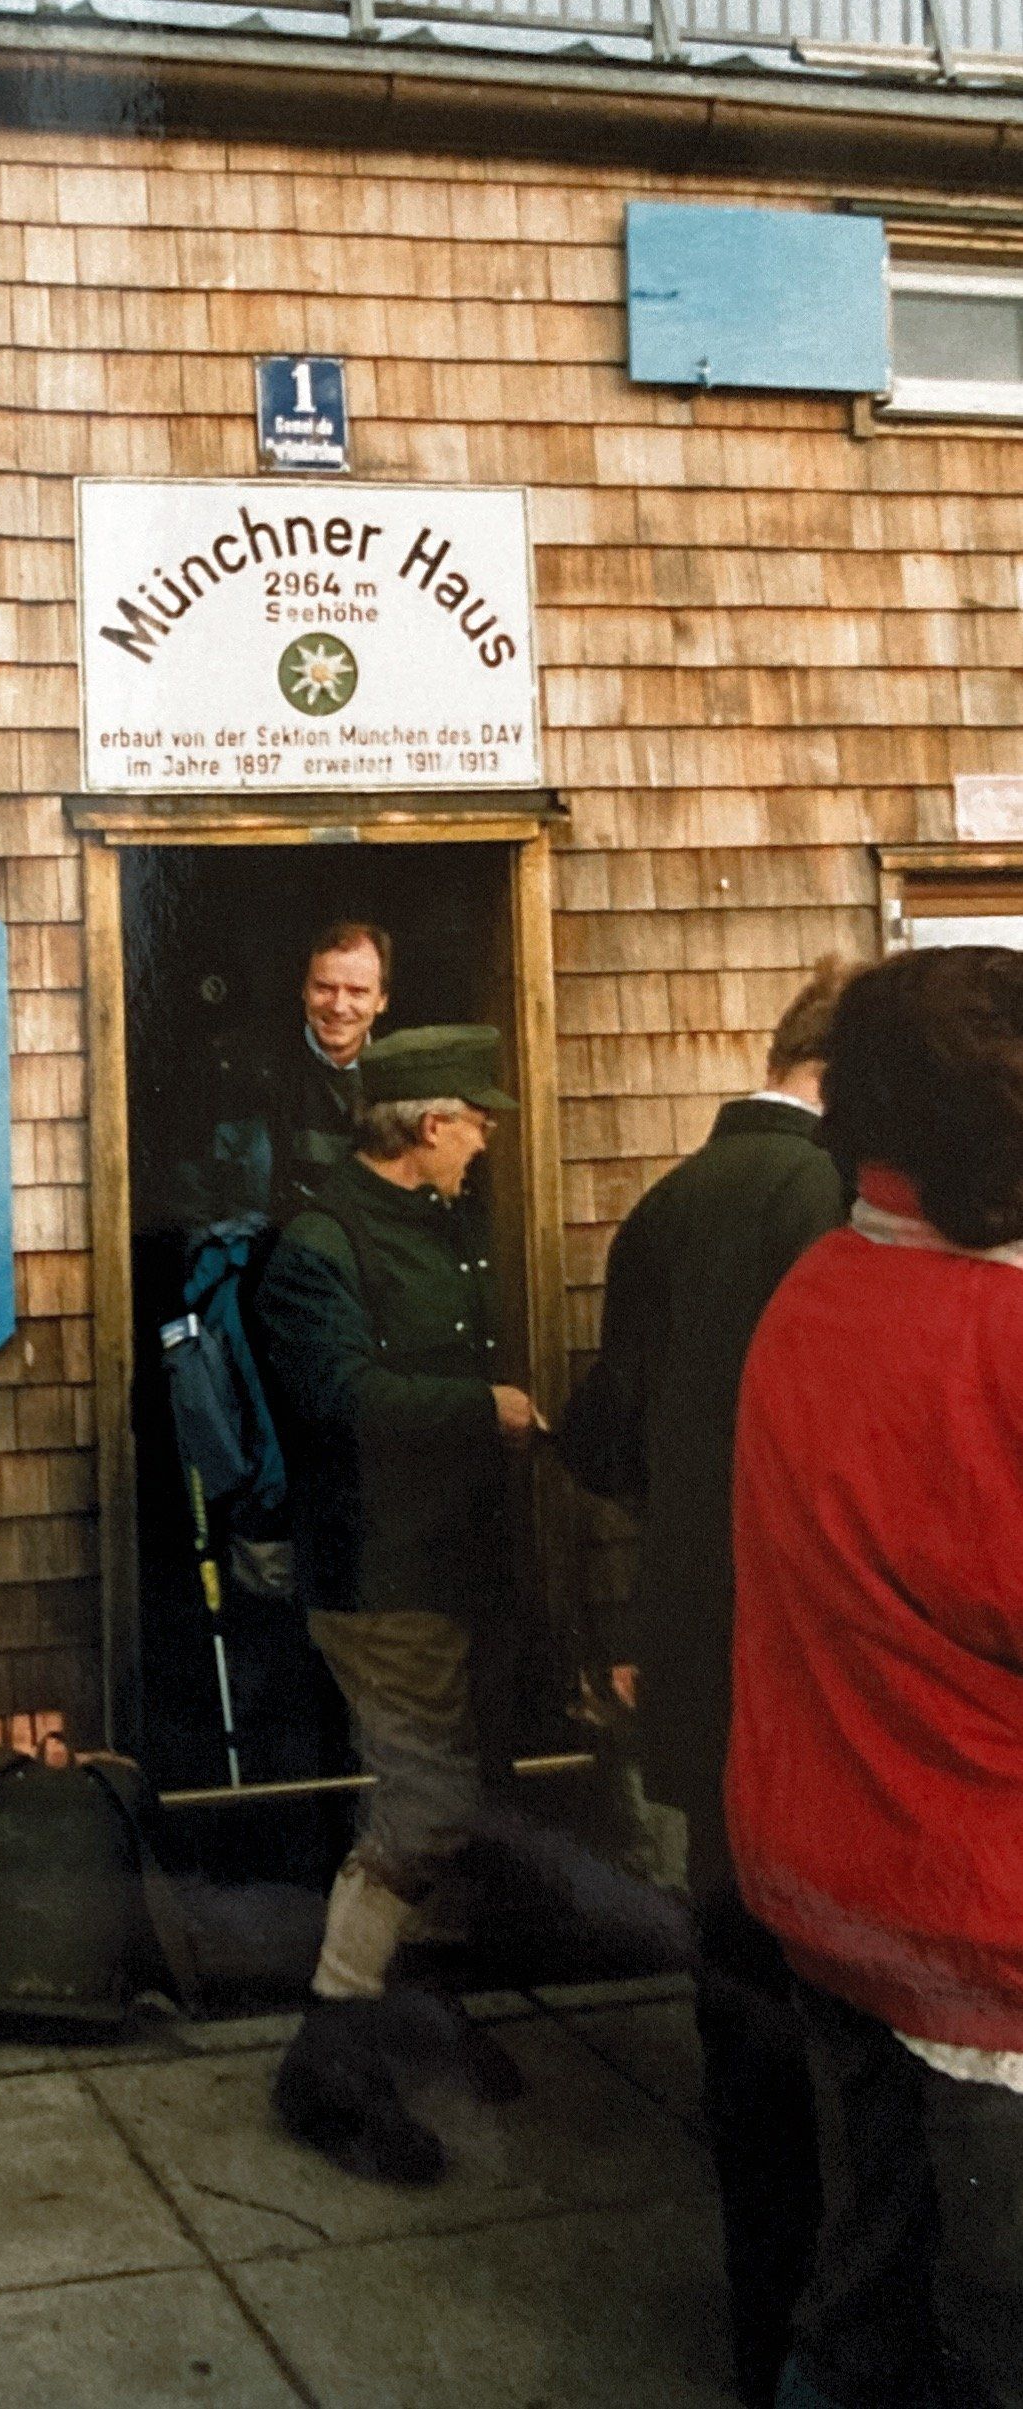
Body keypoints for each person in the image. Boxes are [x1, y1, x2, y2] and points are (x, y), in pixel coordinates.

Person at [727, 945, 1023, 2409]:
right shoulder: (998, 1328)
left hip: (828, 1880)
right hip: (983, 1930)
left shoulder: (820, 1285)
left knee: (863, 2293)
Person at [554, 961, 850, 2408]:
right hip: (825, 1666)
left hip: (694, 1655)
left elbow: (608, 1436)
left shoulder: (667, 1202)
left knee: (737, 2000)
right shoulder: (849, 1208)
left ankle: (760, 2330)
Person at [252, 1023, 540, 2179]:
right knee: (422, 1805)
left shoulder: (437, 1223)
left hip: (458, 1567)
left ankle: (401, 2010)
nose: (483, 1143)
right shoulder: (320, 1244)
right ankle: (331, 2042)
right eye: (475, 1122)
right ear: (429, 1126)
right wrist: (486, 1408)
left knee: (451, 1793)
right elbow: (340, 1395)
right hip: (384, 1580)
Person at [191, 919, 394, 1223]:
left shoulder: (403, 1078)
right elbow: (198, 1193)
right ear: (304, 990)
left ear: (382, 1001)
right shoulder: (245, 1069)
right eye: (324, 988)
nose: (338, 1006)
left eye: (357, 992)